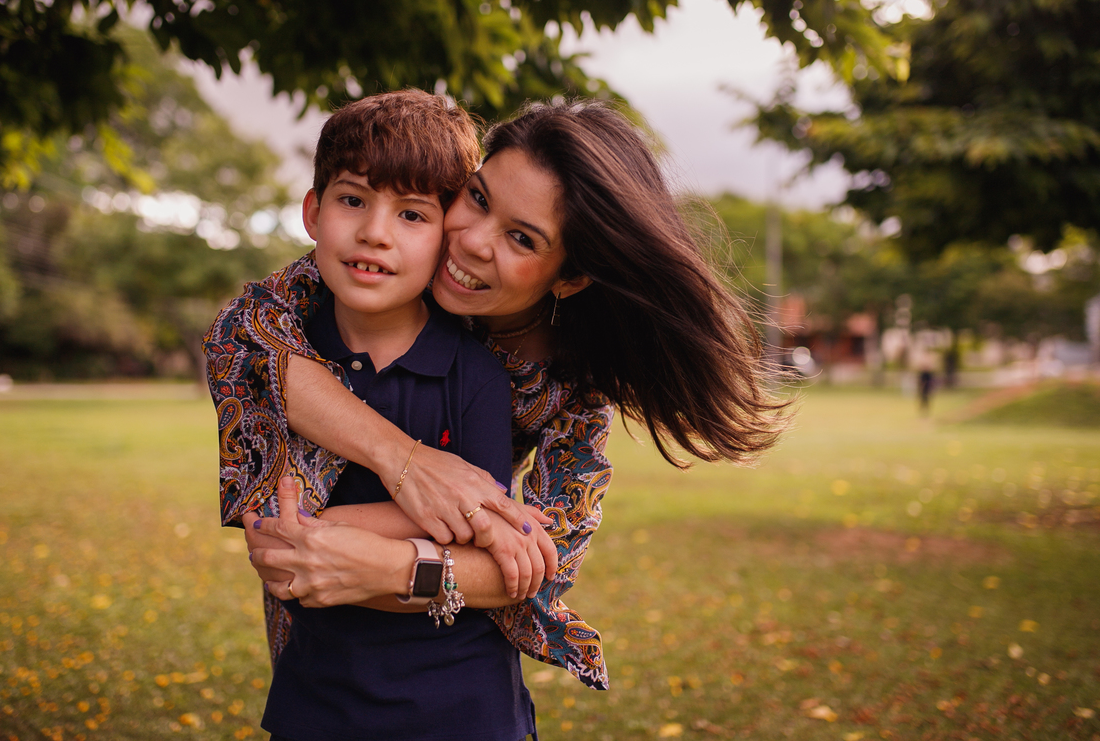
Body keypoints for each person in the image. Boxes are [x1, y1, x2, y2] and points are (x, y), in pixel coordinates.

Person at [207, 98, 787, 735]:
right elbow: (246, 340)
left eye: (522, 238)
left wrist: (376, 560)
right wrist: (407, 462)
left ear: (569, 278)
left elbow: (536, 560)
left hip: (449, 681)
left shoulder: (570, 386)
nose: (472, 242)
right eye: (478, 198)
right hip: (323, 677)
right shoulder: (371, 273)